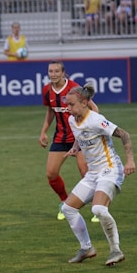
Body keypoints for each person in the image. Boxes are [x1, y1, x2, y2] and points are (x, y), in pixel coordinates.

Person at [61, 84, 135, 266]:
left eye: (71, 105)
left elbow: (124, 134)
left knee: (98, 209)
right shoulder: (73, 120)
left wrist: (130, 160)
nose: (68, 108)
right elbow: (81, 136)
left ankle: (115, 250)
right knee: (68, 209)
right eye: (67, 105)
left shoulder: (96, 120)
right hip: (93, 173)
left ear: (84, 103)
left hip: (110, 170)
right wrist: (75, 148)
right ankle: (86, 248)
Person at [39, 60, 100, 222]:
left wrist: (88, 128)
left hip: (79, 138)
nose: (53, 74)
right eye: (50, 71)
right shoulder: (47, 90)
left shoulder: (74, 88)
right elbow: (51, 111)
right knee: (51, 174)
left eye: (56, 71)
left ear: (63, 73)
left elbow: (94, 108)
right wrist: (43, 131)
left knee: (85, 173)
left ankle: (97, 207)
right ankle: (64, 202)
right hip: (60, 137)